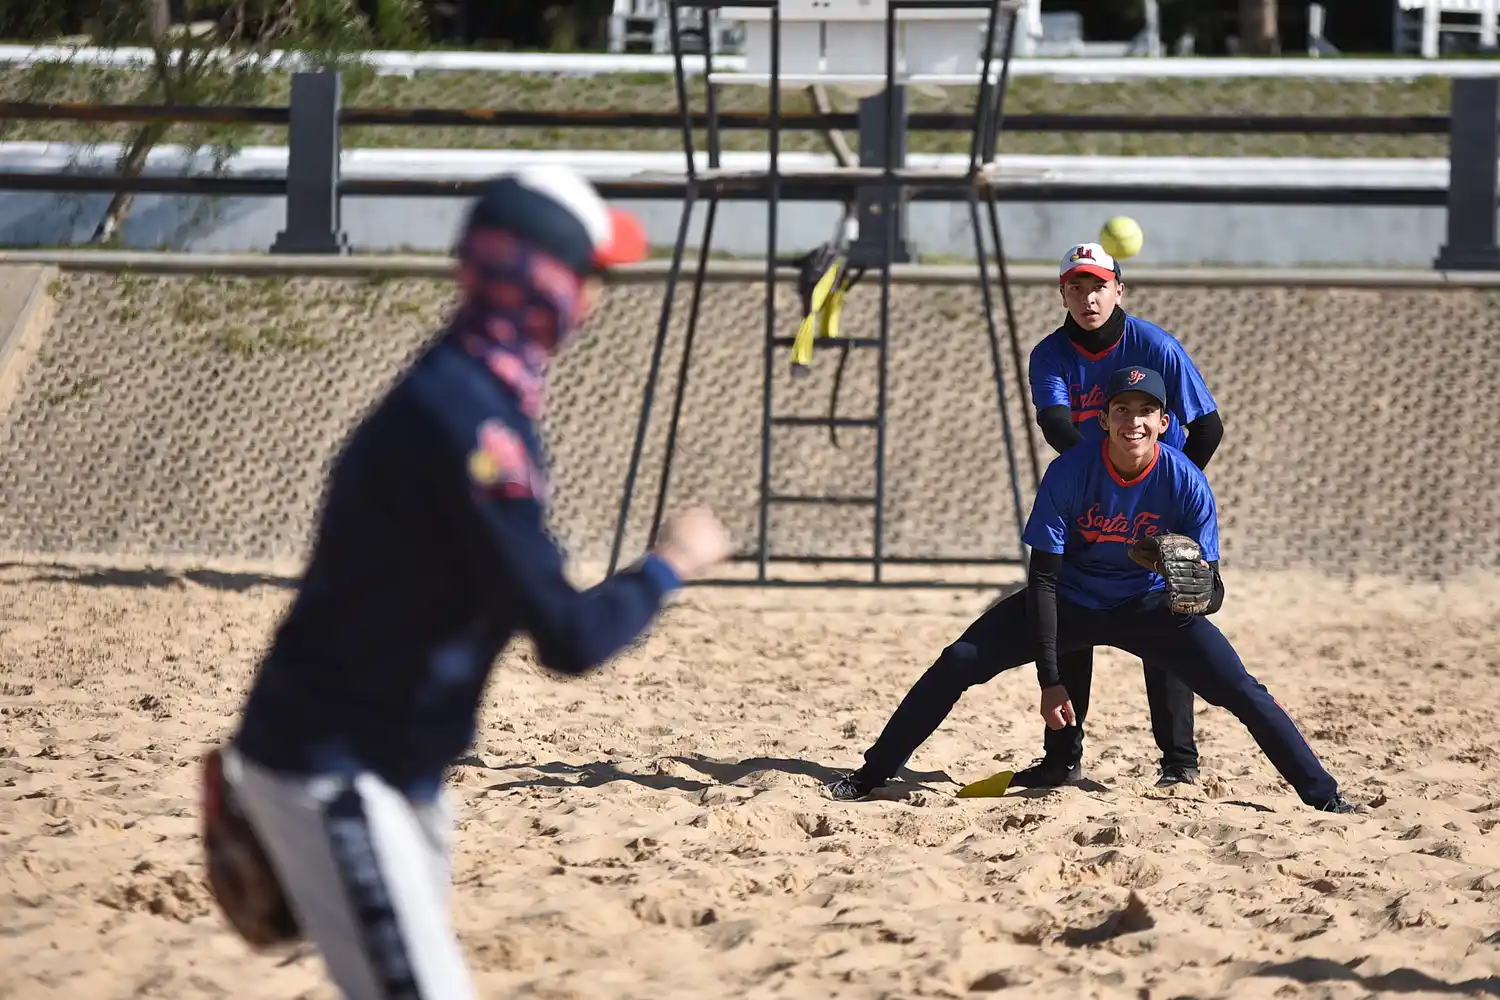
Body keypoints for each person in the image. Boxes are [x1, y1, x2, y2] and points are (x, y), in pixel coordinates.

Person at [200, 167, 734, 1000]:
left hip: (394, 764)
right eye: (591, 275)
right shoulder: (470, 422)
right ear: (542, 274)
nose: (595, 300)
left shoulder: (471, 391)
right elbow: (568, 636)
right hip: (335, 768)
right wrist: (670, 564)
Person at [826, 365, 1355, 814]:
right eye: (1121, 409)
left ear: (1164, 423)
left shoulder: (1187, 481)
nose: (1133, 421)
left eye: (1145, 411)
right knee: (958, 660)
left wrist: (1194, 595)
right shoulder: (1070, 471)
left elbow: (1211, 591)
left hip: (1145, 604)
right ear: (1103, 420)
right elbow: (1044, 579)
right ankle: (870, 775)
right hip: (1071, 598)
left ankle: (1326, 797)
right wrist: (1052, 679)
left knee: (1241, 689)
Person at [1019, 240, 1226, 792]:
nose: (1089, 297)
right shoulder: (1050, 354)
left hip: (1153, 505)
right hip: (1089, 505)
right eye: (1077, 286)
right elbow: (1058, 427)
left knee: (1169, 615)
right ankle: (1062, 760)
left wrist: (1165, 490)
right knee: (1070, 614)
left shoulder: (1155, 346)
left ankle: (1179, 763)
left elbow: (1207, 427)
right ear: (1063, 293)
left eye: (1099, 285)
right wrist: (1097, 485)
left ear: (1119, 290)